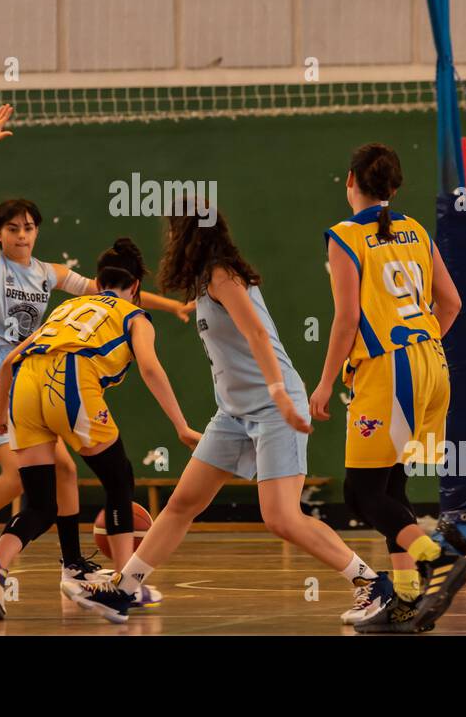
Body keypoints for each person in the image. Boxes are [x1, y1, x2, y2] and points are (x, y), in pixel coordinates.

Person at [0, 105, 193, 593]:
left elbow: (109, 289)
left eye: (29, 227)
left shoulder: (46, 272)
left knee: (62, 470)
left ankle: (70, 564)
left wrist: (169, 306)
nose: (22, 234)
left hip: (26, 369)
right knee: (22, 479)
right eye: (13, 228)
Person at [98, 209, 393, 626]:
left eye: (172, 230)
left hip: (275, 406)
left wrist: (280, 395)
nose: (169, 240)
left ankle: (371, 582)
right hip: (233, 413)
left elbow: (256, 333)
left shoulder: (223, 276)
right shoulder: (204, 284)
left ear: (185, 234)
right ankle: (125, 588)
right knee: (182, 503)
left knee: (281, 518)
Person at [0, 238, 202, 623]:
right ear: (136, 289)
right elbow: (149, 368)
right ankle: (126, 583)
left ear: (98, 281)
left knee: (42, 504)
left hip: (24, 386)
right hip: (71, 381)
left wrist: (0, 415)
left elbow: (10, 361)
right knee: (119, 478)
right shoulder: (134, 316)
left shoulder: (67, 306)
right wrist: (181, 425)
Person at [311, 142, 466, 634]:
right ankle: (403, 603)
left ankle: (436, 557)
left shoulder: (344, 236)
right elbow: (452, 304)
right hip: (431, 363)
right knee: (390, 486)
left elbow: (346, 318)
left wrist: (322, 384)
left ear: (350, 181)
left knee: (360, 494)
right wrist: (421, 346)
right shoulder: (417, 230)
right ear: (395, 188)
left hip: (391, 370)